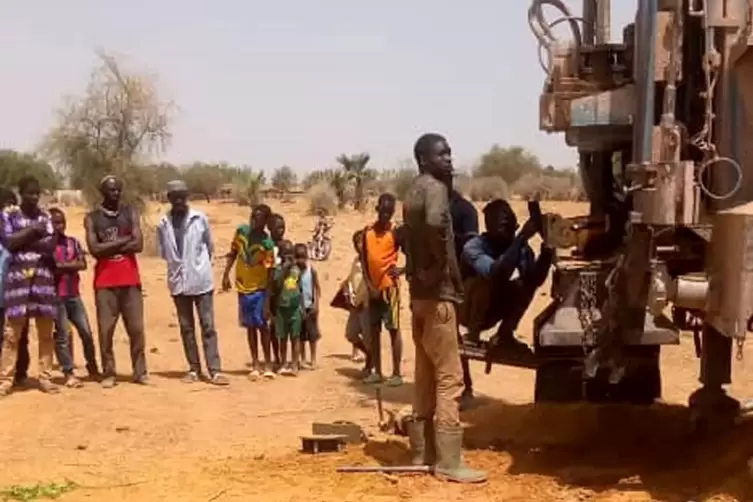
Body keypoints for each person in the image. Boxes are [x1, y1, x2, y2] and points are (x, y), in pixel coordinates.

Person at [402, 133, 486, 483]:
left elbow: (409, 236)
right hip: (439, 296)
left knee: (424, 376)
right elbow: (438, 223)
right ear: (424, 158)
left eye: (450, 153)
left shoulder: (411, 192)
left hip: (418, 296)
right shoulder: (435, 189)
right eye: (442, 154)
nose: (449, 159)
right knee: (449, 377)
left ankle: (422, 452)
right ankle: (450, 461)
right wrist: (442, 267)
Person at [459, 198, 553, 362]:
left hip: (493, 308)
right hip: (465, 310)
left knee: (524, 284)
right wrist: (521, 238)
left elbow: (534, 280)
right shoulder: (474, 247)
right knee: (485, 281)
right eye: (502, 226)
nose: (507, 231)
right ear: (489, 228)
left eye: (509, 227)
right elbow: (495, 273)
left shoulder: (518, 247)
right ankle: (472, 335)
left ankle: (505, 334)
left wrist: (548, 249)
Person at [157, 180, 229, 386]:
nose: (179, 199)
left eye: (182, 195)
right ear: (169, 198)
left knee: (208, 326)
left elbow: (209, 245)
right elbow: (164, 252)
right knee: (186, 328)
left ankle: (214, 370)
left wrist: (199, 265)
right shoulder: (163, 223)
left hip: (201, 280)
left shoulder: (200, 218)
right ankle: (194, 369)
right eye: (174, 196)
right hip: (178, 283)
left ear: (187, 196)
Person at [84, 175, 148, 388]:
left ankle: (140, 372)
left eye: (118, 190)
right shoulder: (92, 218)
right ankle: (108, 372)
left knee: (137, 329)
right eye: (112, 190)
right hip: (105, 282)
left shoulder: (131, 212)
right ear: (103, 192)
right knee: (106, 331)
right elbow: (94, 250)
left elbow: (138, 244)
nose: (116, 193)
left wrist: (108, 246)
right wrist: (123, 241)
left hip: (130, 279)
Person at [0, 176, 60, 396]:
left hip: (43, 281)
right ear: (21, 193)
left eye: (37, 193)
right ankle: (5, 380)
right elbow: (9, 242)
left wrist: (23, 239)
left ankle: (45, 377)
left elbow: (51, 245)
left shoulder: (46, 216)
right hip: (18, 282)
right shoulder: (9, 215)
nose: (34, 197)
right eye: (30, 193)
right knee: (11, 334)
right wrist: (35, 231)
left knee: (45, 333)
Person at [222, 204, 276, 380]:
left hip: (260, 289)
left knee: (263, 326)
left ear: (266, 221)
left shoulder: (266, 243)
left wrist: (268, 298)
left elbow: (270, 271)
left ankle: (267, 363)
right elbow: (233, 252)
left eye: (259, 217)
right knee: (250, 327)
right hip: (243, 287)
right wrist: (225, 275)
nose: (254, 220)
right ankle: (255, 363)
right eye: (253, 216)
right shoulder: (241, 232)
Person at [50, 207, 98, 386]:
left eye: (61, 222)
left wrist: (61, 265)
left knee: (86, 332)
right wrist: (70, 264)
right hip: (56, 296)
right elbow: (51, 267)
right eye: (55, 223)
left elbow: (83, 264)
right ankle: (68, 371)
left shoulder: (72, 242)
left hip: (73, 294)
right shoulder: (46, 246)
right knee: (62, 334)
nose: (59, 226)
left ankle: (92, 367)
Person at [361, 193, 403, 386]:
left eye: (389, 212)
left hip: (390, 288)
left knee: (393, 329)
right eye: (383, 211)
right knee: (374, 330)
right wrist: (369, 285)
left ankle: (396, 374)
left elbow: (412, 253)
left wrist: (402, 270)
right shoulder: (367, 232)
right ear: (377, 209)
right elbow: (364, 260)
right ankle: (377, 371)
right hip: (373, 289)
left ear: (392, 212)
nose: (385, 215)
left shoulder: (396, 232)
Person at [448, 188, 480, 409]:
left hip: (459, 282)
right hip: (440, 282)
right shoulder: (436, 209)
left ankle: (465, 387)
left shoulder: (464, 210)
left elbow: (471, 245)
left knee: (454, 337)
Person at [0, 187, 30, 387]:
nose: (9, 208)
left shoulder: (19, 231)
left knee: (20, 334)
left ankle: (20, 373)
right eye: (5, 204)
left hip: (15, 292)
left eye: (12, 203)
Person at [270, 240, 302, 375]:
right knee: (282, 338)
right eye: (286, 254)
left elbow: (300, 287)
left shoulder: (296, 269)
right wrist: (284, 268)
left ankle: (294, 364)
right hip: (281, 308)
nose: (289, 257)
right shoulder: (278, 269)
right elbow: (276, 284)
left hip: (294, 308)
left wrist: (301, 305)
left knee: (295, 337)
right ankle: (283, 363)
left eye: (291, 254)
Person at [342, 229, 370, 367]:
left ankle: (371, 364)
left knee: (368, 335)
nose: (358, 245)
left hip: (366, 303)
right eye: (355, 242)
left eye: (360, 242)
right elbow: (351, 277)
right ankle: (369, 355)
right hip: (355, 302)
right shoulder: (356, 261)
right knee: (351, 333)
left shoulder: (371, 261)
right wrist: (346, 290)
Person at [296, 243, 321, 369]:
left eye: (303, 257)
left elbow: (317, 288)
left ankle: (313, 359)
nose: (300, 260)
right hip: (298, 309)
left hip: (310, 307)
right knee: (301, 336)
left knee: (312, 335)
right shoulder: (294, 272)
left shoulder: (311, 271)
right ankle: (303, 359)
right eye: (298, 257)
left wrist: (316, 304)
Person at [267, 213, 286, 368]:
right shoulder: (267, 247)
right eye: (277, 227)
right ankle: (276, 357)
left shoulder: (287, 246)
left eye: (283, 227)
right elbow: (267, 269)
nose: (281, 231)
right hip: (271, 292)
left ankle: (286, 358)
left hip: (285, 292)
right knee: (272, 326)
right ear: (270, 228)